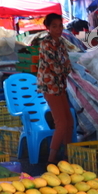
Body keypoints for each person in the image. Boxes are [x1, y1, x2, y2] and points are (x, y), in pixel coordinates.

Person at [36, 13, 73, 164]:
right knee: (62, 123)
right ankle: (51, 160)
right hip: (50, 87)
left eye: (60, 26)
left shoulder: (61, 43)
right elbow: (57, 68)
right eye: (54, 26)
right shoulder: (46, 44)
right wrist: (64, 68)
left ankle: (67, 156)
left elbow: (67, 65)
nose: (58, 29)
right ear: (48, 28)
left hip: (60, 86)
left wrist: (65, 68)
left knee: (69, 122)